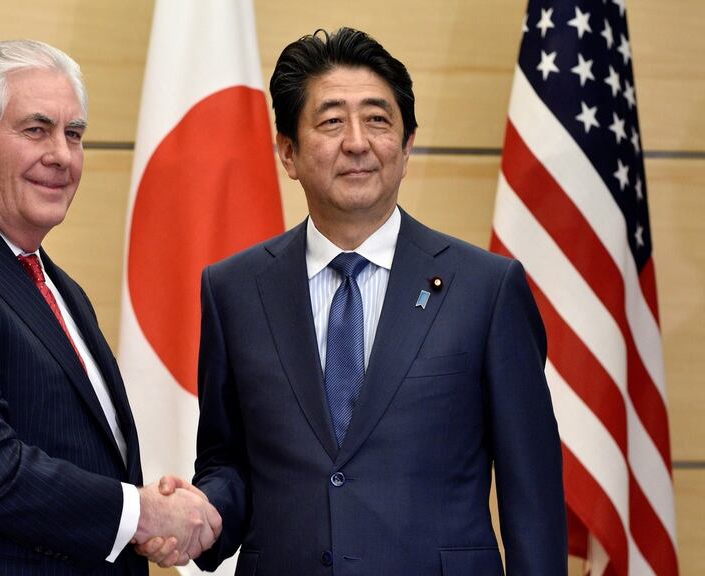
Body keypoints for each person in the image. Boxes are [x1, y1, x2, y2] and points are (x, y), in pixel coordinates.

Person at [147, 27, 567, 574]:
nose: (357, 142)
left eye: (377, 119)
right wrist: (204, 513)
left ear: (407, 145)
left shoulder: (487, 289)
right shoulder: (234, 290)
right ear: (288, 153)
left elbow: (531, 494)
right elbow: (230, 462)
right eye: (330, 121)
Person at [0, 40, 218, 575]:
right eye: (36, 130)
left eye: (74, 134)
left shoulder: (56, 284)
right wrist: (142, 515)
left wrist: (153, 513)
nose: (61, 155)